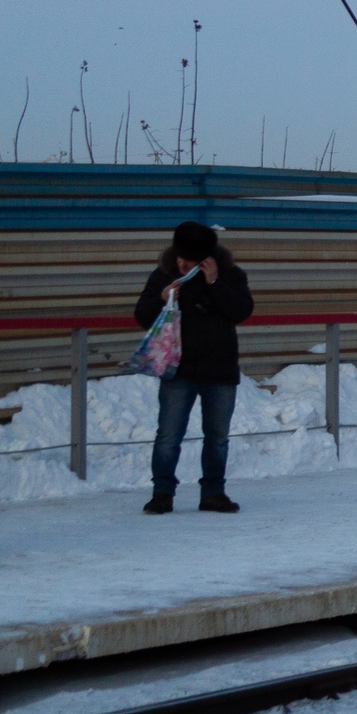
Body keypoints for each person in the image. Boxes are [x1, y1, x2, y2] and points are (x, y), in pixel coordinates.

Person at [134, 220, 254, 514]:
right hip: (179, 371)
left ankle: (213, 493)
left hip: (220, 371)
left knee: (218, 437)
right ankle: (162, 492)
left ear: (206, 260)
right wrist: (162, 298)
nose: (182, 264)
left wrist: (215, 284)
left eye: (189, 261)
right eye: (179, 257)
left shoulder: (230, 276)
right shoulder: (164, 276)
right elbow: (141, 315)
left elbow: (242, 310)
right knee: (168, 435)